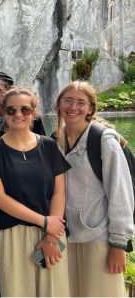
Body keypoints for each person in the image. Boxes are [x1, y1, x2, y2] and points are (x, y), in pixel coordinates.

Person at [0, 86, 70, 296]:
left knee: (53, 292)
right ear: (3, 112)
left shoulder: (49, 146)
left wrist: (51, 235)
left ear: (33, 112)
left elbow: (59, 192)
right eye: (11, 110)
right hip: (13, 234)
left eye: (25, 109)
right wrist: (44, 221)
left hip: (50, 233)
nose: (18, 115)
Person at [55, 81, 134, 296]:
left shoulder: (104, 141)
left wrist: (119, 244)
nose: (73, 107)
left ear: (90, 109)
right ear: (59, 104)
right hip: (66, 237)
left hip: (99, 238)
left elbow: (121, 192)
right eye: (68, 100)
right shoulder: (56, 141)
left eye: (81, 102)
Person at [0, 72, 46, 296]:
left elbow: (44, 161)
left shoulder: (31, 121)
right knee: (1, 258)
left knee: (36, 258)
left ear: (9, 90)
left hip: (28, 200)